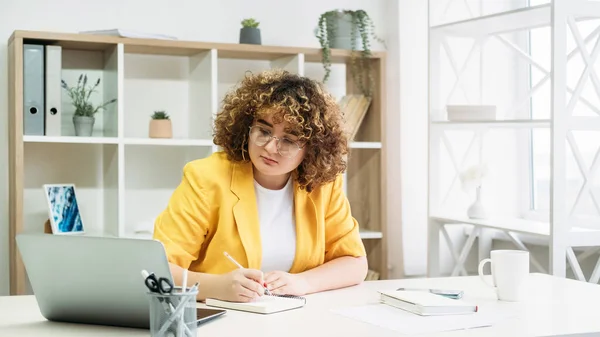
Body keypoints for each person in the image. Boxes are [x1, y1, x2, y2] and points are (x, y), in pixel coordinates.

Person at [152, 69, 368, 303]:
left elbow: (355, 263)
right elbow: (158, 271)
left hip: (295, 317)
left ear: (312, 147)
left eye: (289, 140)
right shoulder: (205, 177)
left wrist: (302, 282)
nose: (270, 147)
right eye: (263, 131)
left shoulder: (322, 185)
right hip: (221, 318)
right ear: (246, 127)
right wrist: (216, 286)